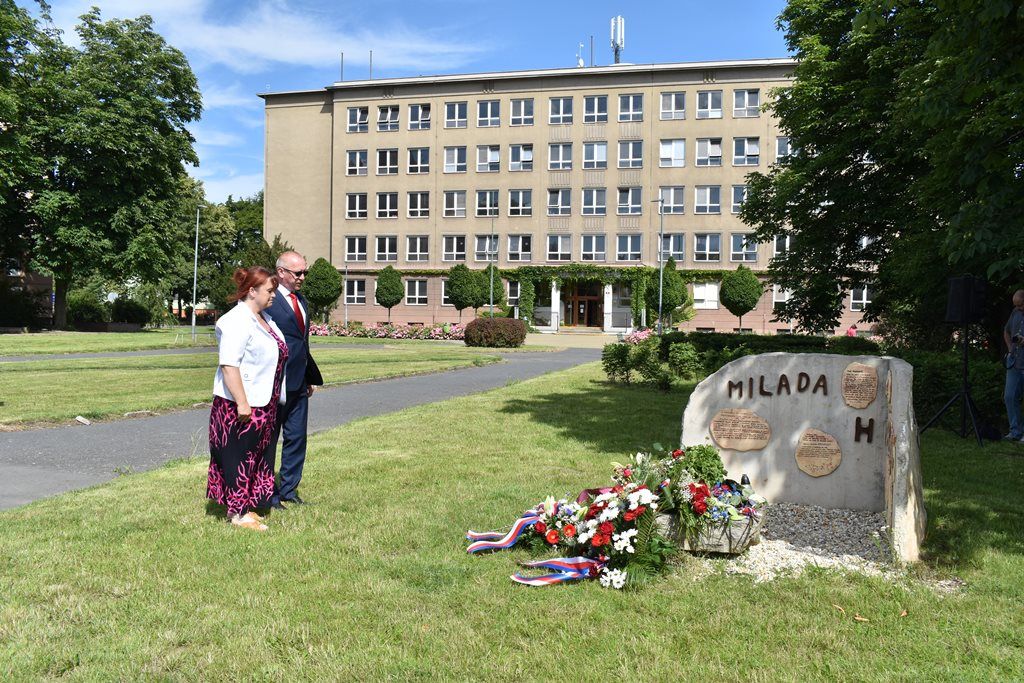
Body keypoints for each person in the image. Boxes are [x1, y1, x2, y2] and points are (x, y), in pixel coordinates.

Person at [207, 266, 288, 530]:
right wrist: (242, 403)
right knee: (239, 459)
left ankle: (247, 508)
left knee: (256, 457)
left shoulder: (264, 318)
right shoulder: (236, 320)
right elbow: (229, 365)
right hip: (240, 405)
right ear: (252, 291)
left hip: (265, 403)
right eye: (269, 290)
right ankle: (238, 515)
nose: (274, 295)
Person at [266, 251, 322, 508]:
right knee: (269, 440)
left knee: (297, 437)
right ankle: (269, 494)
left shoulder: (301, 300)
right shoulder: (268, 300)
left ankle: (289, 489)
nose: (302, 277)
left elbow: (302, 342)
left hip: (299, 382)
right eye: (297, 273)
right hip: (274, 383)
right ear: (281, 273)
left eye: (304, 272)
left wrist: (308, 375)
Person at [1003, 289, 1024, 442]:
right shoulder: (1015, 312)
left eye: (1020, 305)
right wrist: (1010, 347)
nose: (1018, 308)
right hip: (1015, 362)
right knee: (1009, 396)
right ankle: (1015, 432)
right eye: (1016, 305)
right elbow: (1006, 331)